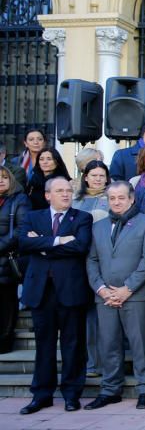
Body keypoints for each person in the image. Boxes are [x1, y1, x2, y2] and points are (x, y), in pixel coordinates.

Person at [17, 177, 94, 415]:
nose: (65, 194)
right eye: (59, 191)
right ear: (48, 195)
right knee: (44, 345)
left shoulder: (82, 218)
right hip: (41, 291)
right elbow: (22, 243)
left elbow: (80, 247)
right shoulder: (33, 217)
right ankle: (42, 395)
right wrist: (59, 241)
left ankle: (72, 394)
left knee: (73, 344)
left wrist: (41, 244)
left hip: (70, 290)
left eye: (68, 190)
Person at [83, 181, 145, 411]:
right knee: (108, 344)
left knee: (140, 344)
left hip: (136, 295)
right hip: (105, 296)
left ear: (132, 198)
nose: (116, 202)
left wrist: (128, 288)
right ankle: (110, 390)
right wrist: (100, 288)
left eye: (121, 198)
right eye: (112, 198)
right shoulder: (99, 226)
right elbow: (92, 260)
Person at [72, 160, 111, 377]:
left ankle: (104, 363)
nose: (97, 179)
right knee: (86, 317)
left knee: (101, 316)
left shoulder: (112, 198)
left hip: (105, 262)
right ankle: (90, 362)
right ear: (85, 177)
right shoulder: (76, 200)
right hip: (79, 261)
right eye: (93, 175)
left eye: (101, 175)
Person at [0, 167, 29, 354]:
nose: (1, 181)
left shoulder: (19, 199)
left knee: (5, 306)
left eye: (4, 177)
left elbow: (21, 229)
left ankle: (3, 344)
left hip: (6, 260)